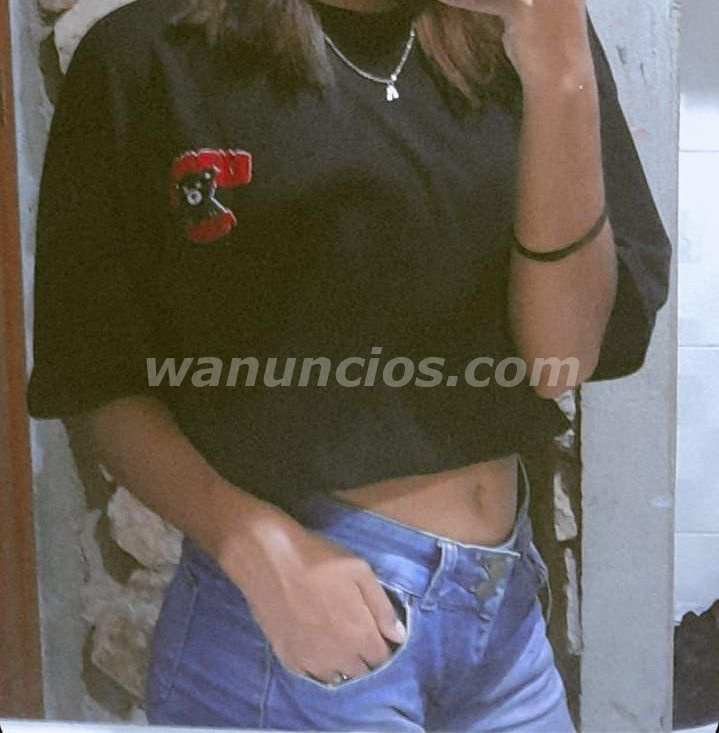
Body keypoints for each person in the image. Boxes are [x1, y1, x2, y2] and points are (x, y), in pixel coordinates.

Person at [27, 0, 672, 729]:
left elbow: (561, 358)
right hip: (292, 634)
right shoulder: (147, 55)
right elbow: (96, 377)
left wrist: (559, 73)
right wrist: (257, 547)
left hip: (507, 635)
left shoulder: (523, 32)